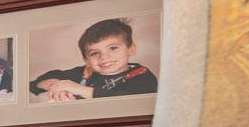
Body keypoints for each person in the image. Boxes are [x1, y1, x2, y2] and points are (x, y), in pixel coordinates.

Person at [28, 18, 157, 101]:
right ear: (86, 60)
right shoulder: (86, 72)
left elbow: (131, 99)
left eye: (112, 48)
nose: (104, 57)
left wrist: (82, 90)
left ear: (131, 49)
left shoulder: (142, 76)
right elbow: (35, 83)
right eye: (94, 53)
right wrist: (57, 85)